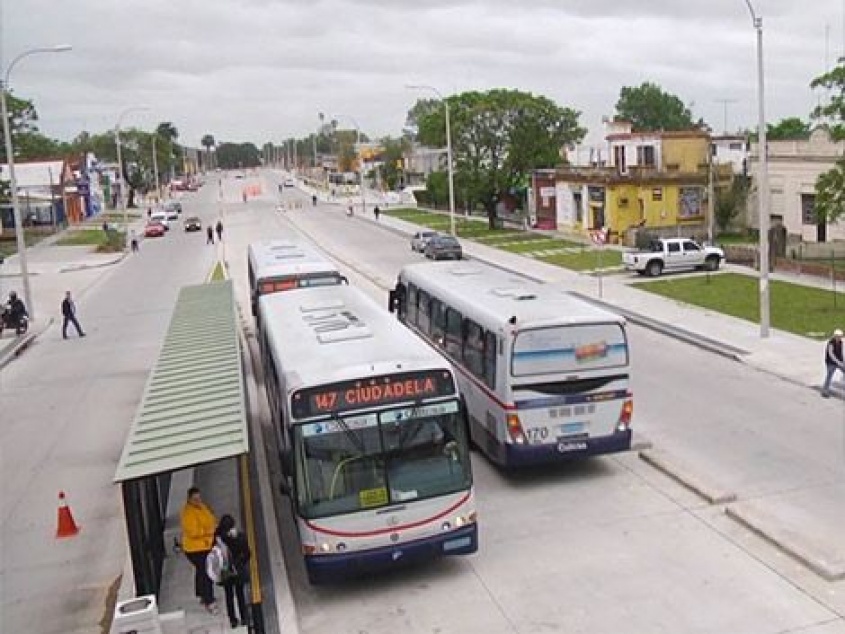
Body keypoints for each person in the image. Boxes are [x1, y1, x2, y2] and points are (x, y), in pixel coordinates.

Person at [180, 487, 219, 615]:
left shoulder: (202, 507)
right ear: (189, 499)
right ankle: (209, 600)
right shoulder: (187, 513)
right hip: (195, 549)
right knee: (207, 572)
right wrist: (208, 531)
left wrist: (211, 528)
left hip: (205, 545)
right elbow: (193, 531)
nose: (198, 500)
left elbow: (211, 519)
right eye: (195, 499)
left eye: (199, 497)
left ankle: (202, 595)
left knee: (202, 570)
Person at [213, 514, 250, 629]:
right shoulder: (239, 538)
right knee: (240, 594)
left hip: (225, 572)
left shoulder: (217, 538)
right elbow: (247, 553)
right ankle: (244, 617)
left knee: (228, 595)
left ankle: (232, 620)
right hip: (237, 570)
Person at [822, 328, 845, 398]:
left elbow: (840, 353)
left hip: (838, 361)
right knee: (829, 375)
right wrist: (838, 362)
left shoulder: (841, 342)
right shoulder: (831, 343)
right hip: (830, 362)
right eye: (838, 336)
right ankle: (825, 391)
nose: (840, 338)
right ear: (835, 336)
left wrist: (843, 361)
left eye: (841, 336)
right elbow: (831, 354)